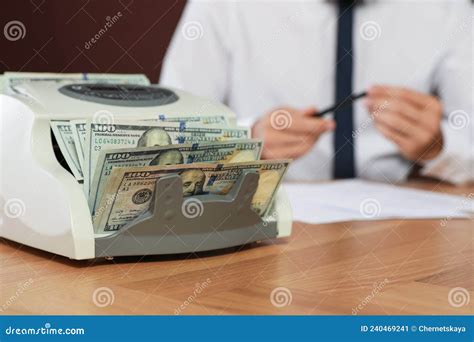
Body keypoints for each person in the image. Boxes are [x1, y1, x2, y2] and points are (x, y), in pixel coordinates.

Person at [161, 0, 472, 184]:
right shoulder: (223, 6)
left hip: (403, 233)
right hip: (260, 223)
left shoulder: (450, 9)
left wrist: (439, 146)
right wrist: (246, 141)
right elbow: (168, 136)